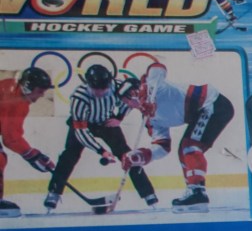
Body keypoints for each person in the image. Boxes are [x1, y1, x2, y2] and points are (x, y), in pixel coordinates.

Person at [46, 63, 157, 213]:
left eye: (104, 88)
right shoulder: (79, 97)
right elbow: (81, 132)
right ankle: (54, 193)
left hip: (106, 122)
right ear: (88, 84)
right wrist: (101, 151)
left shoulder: (119, 87)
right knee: (69, 155)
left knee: (128, 155)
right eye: (96, 88)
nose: (100, 92)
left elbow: (129, 103)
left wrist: (119, 118)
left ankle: (149, 195)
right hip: (84, 124)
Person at [128, 63, 234, 212]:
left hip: (213, 103)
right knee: (184, 151)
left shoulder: (154, 84)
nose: (131, 101)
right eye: (127, 100)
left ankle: (198, 192)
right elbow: (162, 146)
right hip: (204, 111)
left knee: (189, 147)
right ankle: (194, 193)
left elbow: (157, 67)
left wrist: (148, 94)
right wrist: (143, 155)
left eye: (133, 94)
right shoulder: (150, 119)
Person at [0, 65, 57, 216]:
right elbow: (10, 138)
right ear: (28, 86)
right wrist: (33, 155)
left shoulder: (11, 86)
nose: (41, 95)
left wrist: (33, 155)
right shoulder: (17, 102)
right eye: (40, 91)